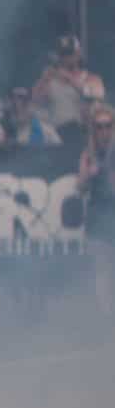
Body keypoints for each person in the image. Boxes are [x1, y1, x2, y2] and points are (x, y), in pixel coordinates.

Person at [29, 35, 104, 139]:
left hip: (83, 133)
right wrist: (44, 79)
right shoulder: (50, 80)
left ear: (78, 54)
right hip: (57, 134)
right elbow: (35, 100)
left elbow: (97, 95)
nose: (67, 58)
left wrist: (69, 79)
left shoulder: (91, 78)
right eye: (63, 55)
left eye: (70, 54)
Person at [80, 100, 115, 318]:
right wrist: (88, 174)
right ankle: (107, 318)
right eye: (99, 126)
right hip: (97, 216)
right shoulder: (88, 154)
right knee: (102, 270)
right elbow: (80, 186)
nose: (104, 131)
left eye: (108, 126)